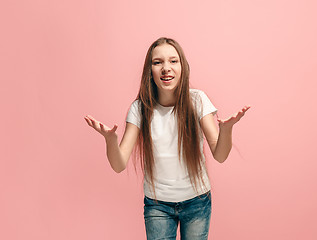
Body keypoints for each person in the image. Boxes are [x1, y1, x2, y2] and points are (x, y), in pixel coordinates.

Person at [84, 37, 250, 240]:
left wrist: (226, 130)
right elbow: (119, 165)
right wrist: (110, 140)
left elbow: (221, 155)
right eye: (157, 62)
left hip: (197, 202)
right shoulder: (140, 109)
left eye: (173, 61)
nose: (166, 68)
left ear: (183, 67)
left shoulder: (198, 100)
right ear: (149, 70)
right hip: (157, 206)